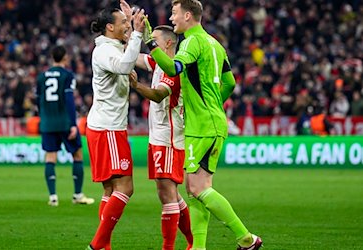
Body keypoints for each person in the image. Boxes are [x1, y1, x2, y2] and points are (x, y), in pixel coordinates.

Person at [143, 1, 262, 249]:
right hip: (215, 122)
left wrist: (151, 44)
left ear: (188, 15)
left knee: (197, 188)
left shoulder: (192, 41)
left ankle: (246, 238)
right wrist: (214, 104)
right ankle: (198, 246)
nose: (172, 18)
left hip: (201, 126)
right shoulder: (215, 44)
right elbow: (230, 82)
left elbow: (173, 68)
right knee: (197, 188)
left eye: (174, 13)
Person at [85, 1, 145, 249]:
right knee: (126, 188)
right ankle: (97, 245)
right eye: (122, 23)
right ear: (110, 27)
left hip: (104, 126)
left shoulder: (112, 46)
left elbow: (129, 52)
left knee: (110, 189)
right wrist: (138, 32)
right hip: (108, 128)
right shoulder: (105, 52)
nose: (126, 26)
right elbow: (123, 65)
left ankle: (104, 246)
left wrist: (131, 24)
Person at [129, 25, 193, 250]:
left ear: (167, 43)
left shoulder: (173, 70)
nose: (151, 44)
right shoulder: (158, 63)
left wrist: (136, 86)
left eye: (154, 40)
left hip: (169, 140)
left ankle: (169, 247)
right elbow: (134, 57)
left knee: (166, 194)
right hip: (159, 138)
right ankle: (191, 242)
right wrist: (128, 33)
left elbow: (157, 95)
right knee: (171, 194)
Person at [36, 45, 94, 206]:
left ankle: (53, 197)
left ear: (52, 57)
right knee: (77, 154)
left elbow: (37, 101)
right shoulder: (67, 75)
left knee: (50, 157)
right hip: (64, 122)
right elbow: (69, 100)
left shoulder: (41, 77)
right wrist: (72, 124)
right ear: (65, 58)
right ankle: (78, 195)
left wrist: (44, 117)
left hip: (47, 123)